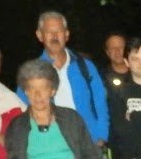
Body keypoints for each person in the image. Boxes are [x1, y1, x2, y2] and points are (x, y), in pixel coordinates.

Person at [4, 60, 103, 159]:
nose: (38, 95)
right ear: (26, 92)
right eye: (31, 89)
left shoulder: (71, 118)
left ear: (53, 91)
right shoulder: (17, 126)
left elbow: (90, 154)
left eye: (43, 88)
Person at [22, 11, 108, 146]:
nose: (55, 36)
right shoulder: (32, 72)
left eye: (59, 31)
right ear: (40, 36)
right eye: (49, 32)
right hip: (51, 145)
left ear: (67, 35)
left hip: (88, 142)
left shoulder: (84, 66)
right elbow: (22, 109)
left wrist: (101, 135)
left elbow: (100, 101)